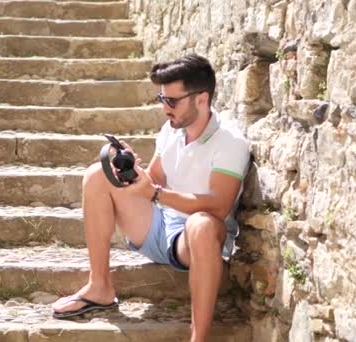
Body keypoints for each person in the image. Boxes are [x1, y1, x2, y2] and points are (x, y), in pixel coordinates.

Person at [51, 54, 250, 342]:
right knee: (97, 174)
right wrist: (134, 170)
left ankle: (199, 338)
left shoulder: (230, 143)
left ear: (201, 99)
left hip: (194, 244)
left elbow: (218, 206)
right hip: (159, 225)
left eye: (172, 101)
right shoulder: (172, 129)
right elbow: (155, 179)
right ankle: (100, 287)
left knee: (202, 224)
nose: (164, 108)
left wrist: (156, 194)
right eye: (161, 98)